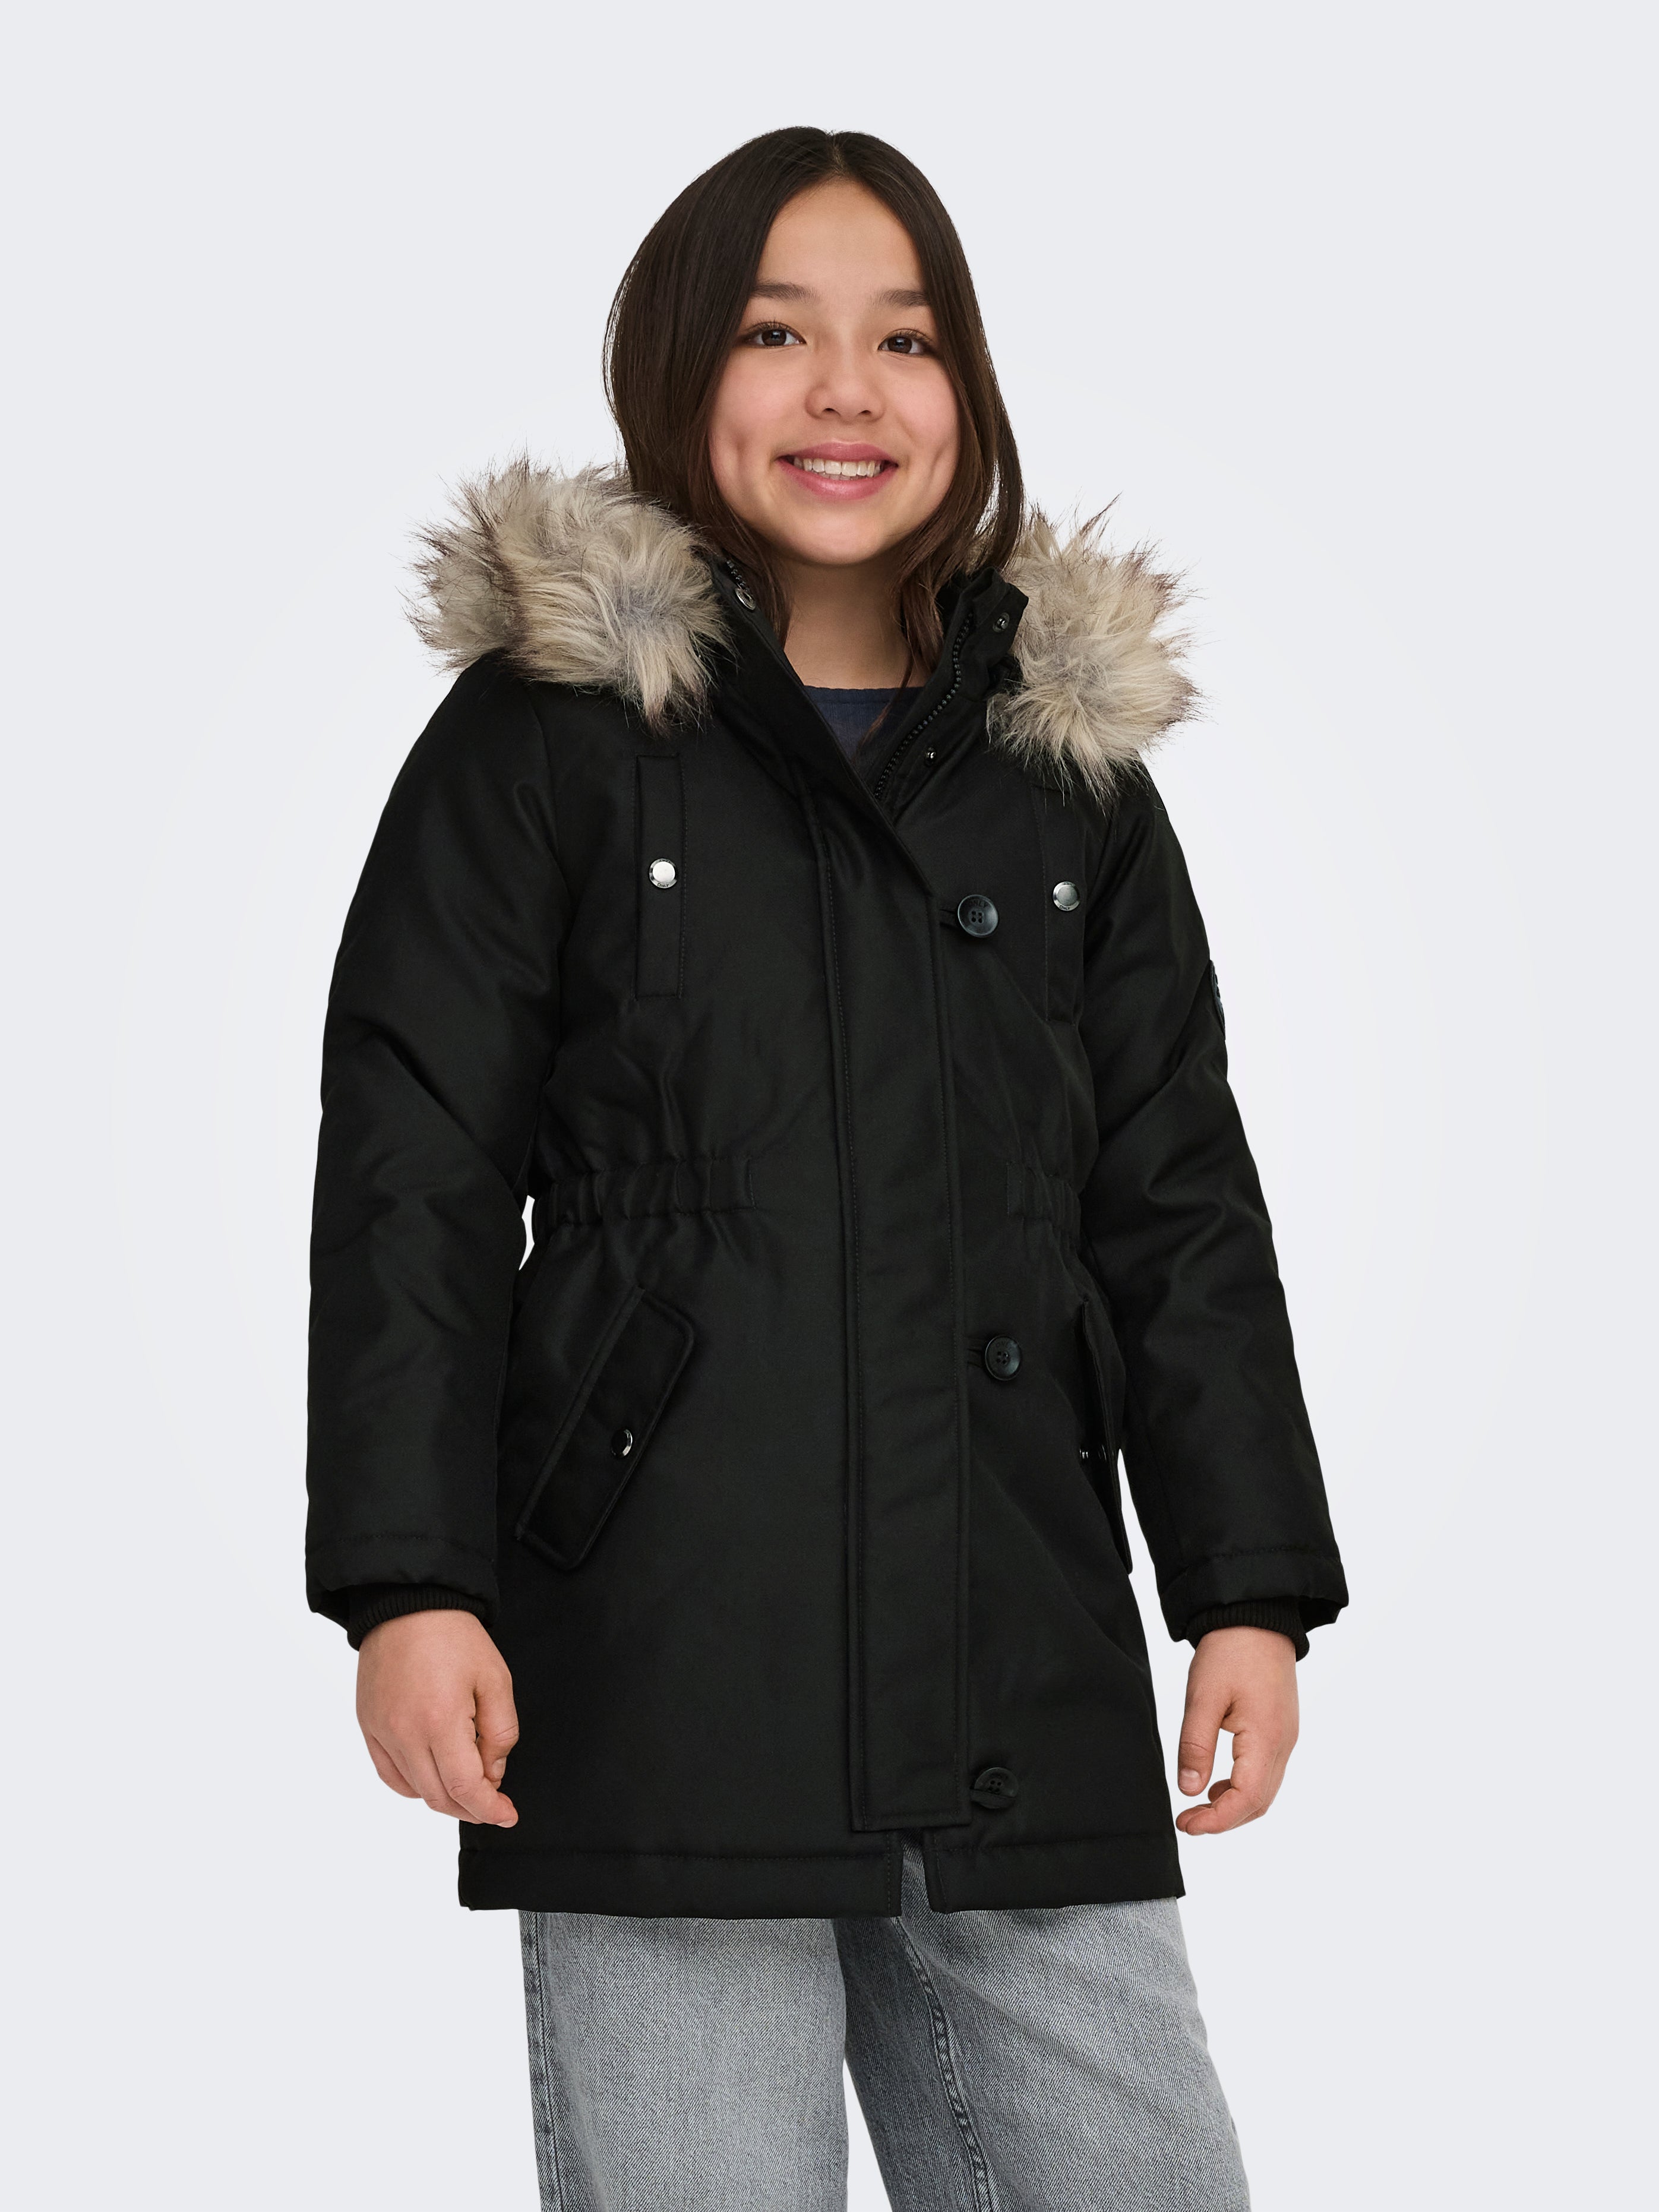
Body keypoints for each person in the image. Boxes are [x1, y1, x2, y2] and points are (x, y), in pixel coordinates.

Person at [305, 126, 1347, 2211]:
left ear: (968, 386)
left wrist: (1245, 1584)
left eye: (907, 338)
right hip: (661, 1644)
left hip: (1012, 1638)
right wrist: (409, 1581)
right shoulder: (546, 742)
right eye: (778, 334)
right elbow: (415, 1166)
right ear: (678, 366)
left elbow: (1173, 1194)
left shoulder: (1062, 777)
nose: (846, 391)